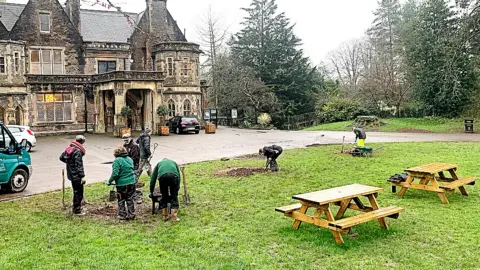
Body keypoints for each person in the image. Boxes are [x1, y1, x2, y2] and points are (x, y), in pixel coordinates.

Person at [106, 146, 136, 220]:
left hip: (122, 184)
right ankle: (131, 214)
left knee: (121, 199)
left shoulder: (117, 161)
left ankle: (122, 215)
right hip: (132, 182)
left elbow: (115, 173)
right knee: (130, 198)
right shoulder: (130, 159)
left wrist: (109, 181)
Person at [59, 135, 87, 215]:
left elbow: (61, 157)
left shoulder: (69, 148)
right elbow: (79, 165)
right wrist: (82, 176)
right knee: (78, 193)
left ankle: (76, 207)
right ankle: (77, 210)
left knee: (76, 191)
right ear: (81, 142)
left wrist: (69, 163)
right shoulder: (77, 151)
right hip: (77, 175)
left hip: (70, 174)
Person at [123, 133, 143, 204]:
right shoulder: (125, 145)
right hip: (128, 166)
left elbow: (135, 158)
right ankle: (131, 196)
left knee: (134, 182)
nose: (125, 141)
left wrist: (126, 161)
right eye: (124, 140)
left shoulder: (134, 146)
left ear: (130, 138)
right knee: (129, 183)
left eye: (126, 140)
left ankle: (139, 196)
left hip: (135, 166)